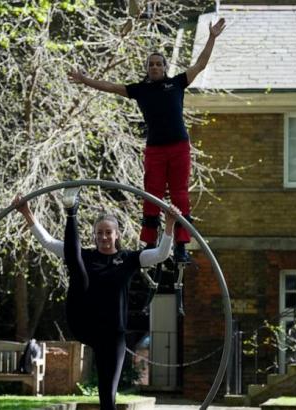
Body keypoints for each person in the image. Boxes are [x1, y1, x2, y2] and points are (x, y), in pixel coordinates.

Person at [67, 18, 226, 262]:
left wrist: (212, 38)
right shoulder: (140, 89)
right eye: (150, 64)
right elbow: (109, 86)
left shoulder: (177, 83)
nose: (154, 67)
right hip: (155, 150)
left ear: (164, 67)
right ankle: (150, 242)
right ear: (147, 68)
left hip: (179, 147)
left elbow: (201, 64)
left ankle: (181, 246)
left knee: (180, 194)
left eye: (158, 64)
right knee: (152, 194)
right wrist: (84, 79)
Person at [13, 188, 179, 410]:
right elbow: (49, 242)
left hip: (112, 332)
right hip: (83, 320)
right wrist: (26, 213)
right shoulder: (86, 256)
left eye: (108, 233)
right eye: (99, 233)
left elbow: (161, 254)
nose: (103, 237)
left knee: (107, 395)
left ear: (117, 234)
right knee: (77, 264)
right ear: (94, 235)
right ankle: (71, 210)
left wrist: (169, 224)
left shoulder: (128, 259)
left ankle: (72, 209)